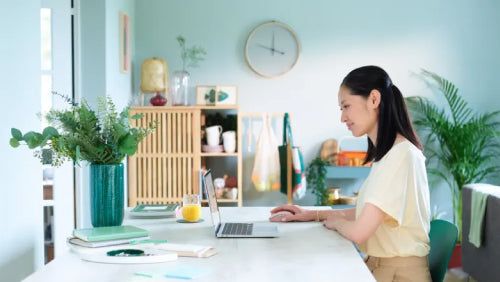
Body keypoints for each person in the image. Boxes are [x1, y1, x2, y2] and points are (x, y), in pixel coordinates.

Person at [271, 66, 432, 282]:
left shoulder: (401, 155)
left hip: (398, 275)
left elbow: (359, 232)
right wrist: (310, 214)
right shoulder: (391, 154)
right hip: (382, 268)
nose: (343, 118)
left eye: (346, 106)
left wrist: (335, 222)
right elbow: (367, 214)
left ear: (374, 99)